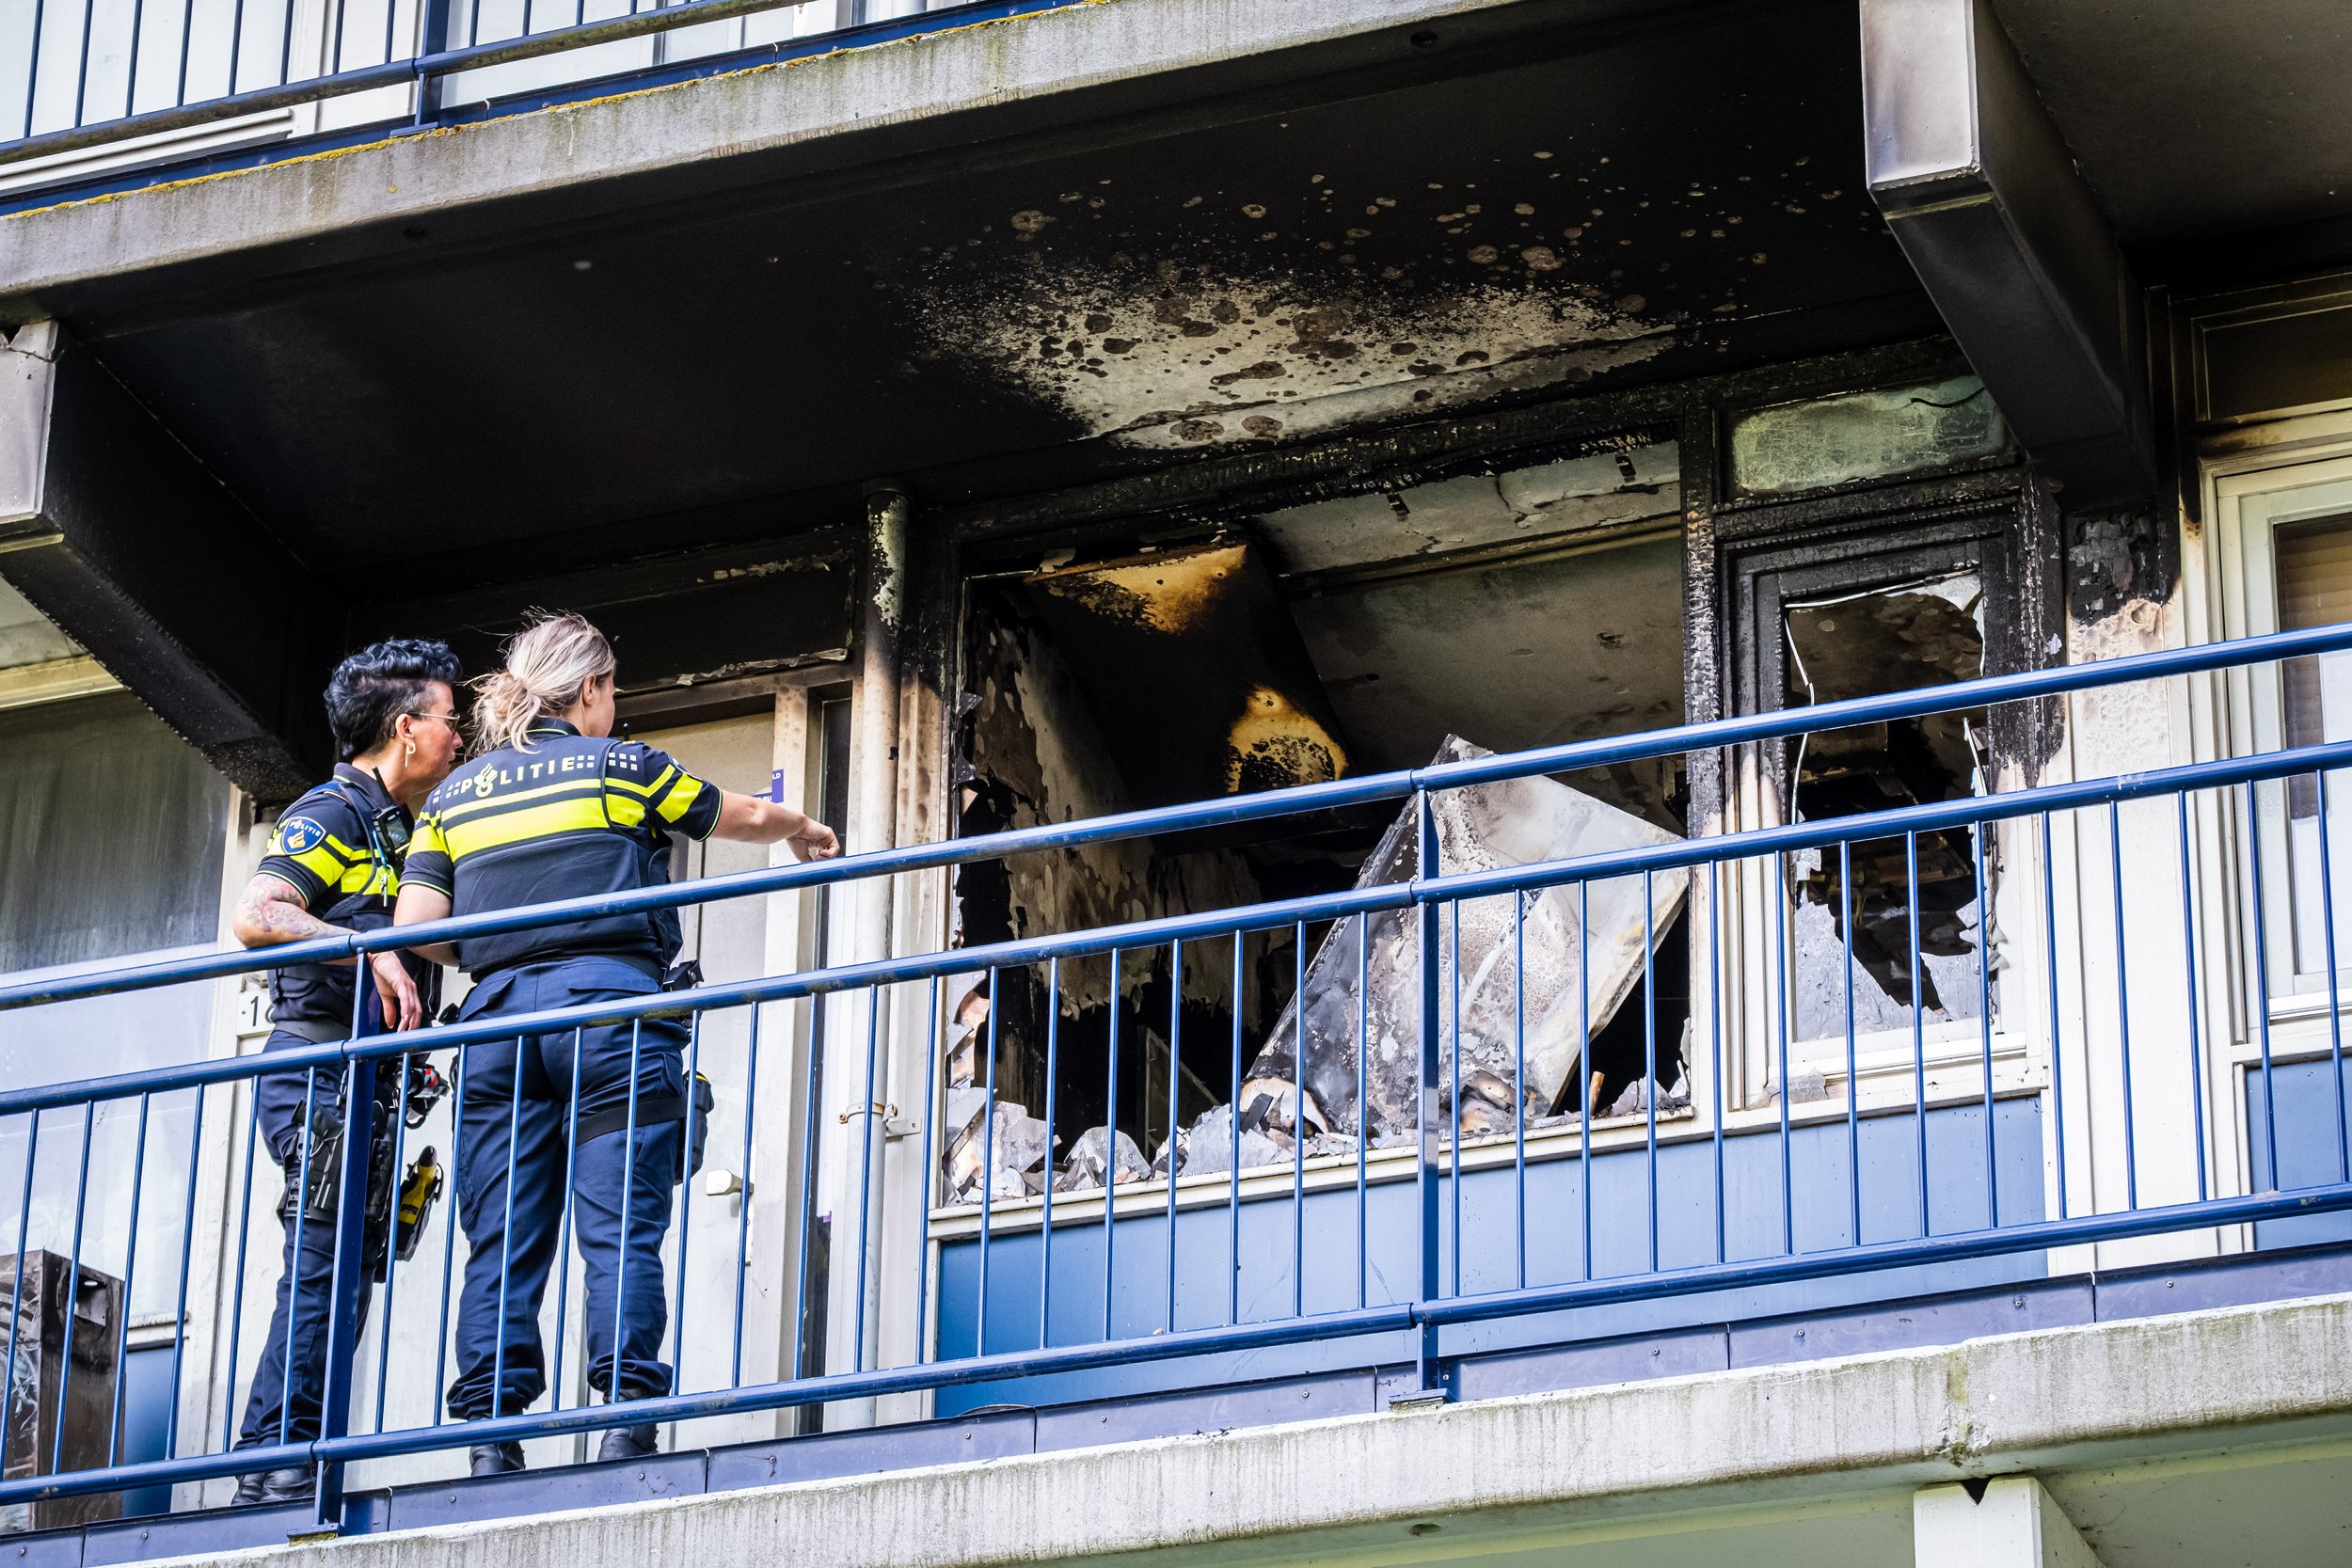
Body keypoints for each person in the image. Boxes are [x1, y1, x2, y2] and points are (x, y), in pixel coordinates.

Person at [382, 612, 837, 1475]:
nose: (614, 700)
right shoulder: (622, 766)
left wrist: (499, 946)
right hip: (613, 1020)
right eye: (614, 686)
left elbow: (417, 928)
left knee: (503, 1240)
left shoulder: (453, 794)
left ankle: (489, 1439)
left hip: (499, 1031)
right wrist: (801, 828)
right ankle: (626, 1422)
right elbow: (731, 814)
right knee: (620, 1227)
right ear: (589, 688)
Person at [226, 640, 466, 1505]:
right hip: (318, 1071)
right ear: (406, 729)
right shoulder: (331, 812)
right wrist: (368, 950)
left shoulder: (401, 829)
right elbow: (258, 913)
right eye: (449, 719)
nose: (459, 736)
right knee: (324, 1265)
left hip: (367, 1085)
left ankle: (295, 1456)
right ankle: (268, 1465)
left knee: (350, 1269)